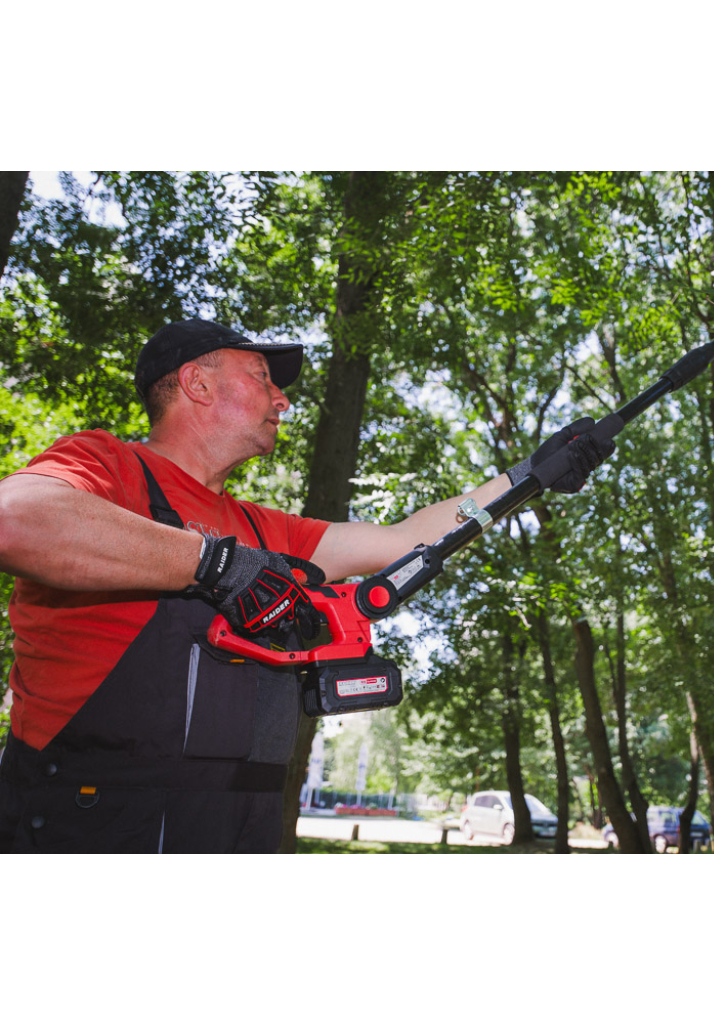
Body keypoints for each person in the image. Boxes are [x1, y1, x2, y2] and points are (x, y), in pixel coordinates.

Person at [0, 318, 613, 853]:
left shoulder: (264, 529)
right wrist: (214, 564)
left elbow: (406, 541)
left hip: (239, 832)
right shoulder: (109, 467)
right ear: (197, 383)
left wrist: (527, 477)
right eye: (262, 377)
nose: (283, 399)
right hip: (90, 828)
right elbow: (17, 520)